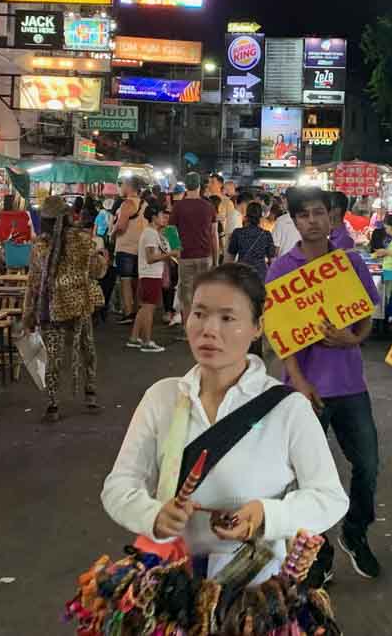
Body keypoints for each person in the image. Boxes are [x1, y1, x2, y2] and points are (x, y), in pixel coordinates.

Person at [101, 264, 348, 582]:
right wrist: (153, 516)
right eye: (199, 314)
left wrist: (267, 515)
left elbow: (329, 498)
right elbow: (119, 485)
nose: (209, 330)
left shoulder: (288, 409)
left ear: (258, 326)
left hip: (255, 588)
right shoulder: (162, 398)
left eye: (227, 318)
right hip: (168, 584)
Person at [268, 187, 383, 580]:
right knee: (308, 478)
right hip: (305, 391)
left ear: (331, 216)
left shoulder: (349, 262)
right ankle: (319, 554)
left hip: (351, 385)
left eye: (320, 213)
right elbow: (280, 335)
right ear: (295, 221)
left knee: (367, 465)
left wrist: (354, 338)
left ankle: (355, 532)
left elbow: (367, 314)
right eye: (305, 215)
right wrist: (298, 381)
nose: (313, 220)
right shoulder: (282, 268)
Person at [22, 196, 107, 423]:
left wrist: (28, 311)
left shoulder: (40, 245)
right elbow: (97, 271)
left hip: (52, 307)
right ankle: (90, 392)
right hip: (80, 304)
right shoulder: (82, 240)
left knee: (53, 356)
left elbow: (33, 281)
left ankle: (53, 403)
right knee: (86, 347)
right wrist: (102, 258)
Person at [170, 172, 218, 339]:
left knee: (187, 296)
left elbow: (170, 231)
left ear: (186, 186)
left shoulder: (178, 206)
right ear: (199, 186)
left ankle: (189, 331)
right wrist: (216, 258)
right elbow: (214, 235)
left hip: (185, 256)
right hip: (205, 255)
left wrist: (176, 250)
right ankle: (205, 329)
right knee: (204, 294)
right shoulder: (209, 206)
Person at [129, 204, 171, 354]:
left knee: (145, 307)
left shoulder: (152, 233)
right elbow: (151, 257)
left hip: (149, 274)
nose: (165, 219)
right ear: (154, 217)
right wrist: (170, 254)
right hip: (150, 274)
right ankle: (146, 341)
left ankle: (134, 338)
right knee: (148, 308)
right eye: (162, 216)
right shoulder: (151, 234)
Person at [112, 179, 144, 325]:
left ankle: (128, 312)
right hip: (140, 247)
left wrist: (111, 233)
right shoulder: (144, 204)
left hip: (126, 247)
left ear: (129, 187)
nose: (121, 187)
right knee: (137, 281)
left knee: (125, 280)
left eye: (122, 184)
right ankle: (137, 310)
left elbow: (121, 226)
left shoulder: (127, 204)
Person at [226, 200, 275, 280]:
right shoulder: (266, 234)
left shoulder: (238, 233)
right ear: (261, 217)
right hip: (261, 274)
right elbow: (272, 260)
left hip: (242, 273)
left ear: (246, 215)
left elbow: (230, 259)